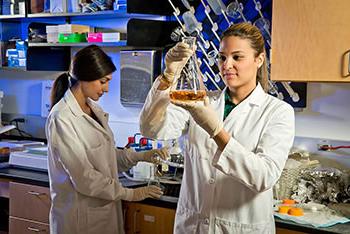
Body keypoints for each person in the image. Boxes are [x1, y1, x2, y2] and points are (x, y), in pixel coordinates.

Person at [139, 22, 295, 233]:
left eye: (237, 57)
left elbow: (263, 177)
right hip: (192, 226)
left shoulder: (278, 111)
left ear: (259, 59)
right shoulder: (201, 101)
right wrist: (168, 74)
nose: (226, 65)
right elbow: (151, 129)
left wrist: (216, 130)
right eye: (222, 57)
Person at [46, 45, 167, 234]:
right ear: (85, 76)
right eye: (103, 81)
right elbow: (84, 178)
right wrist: (131, 193)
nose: (107, 89)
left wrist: (140, 156)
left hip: (103, 214)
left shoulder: (94, 110)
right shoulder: (62, 118)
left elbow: (105, 158)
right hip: (79, 220)